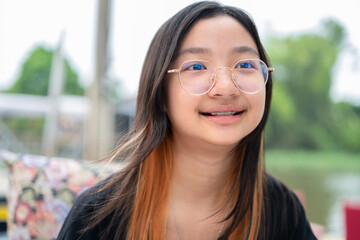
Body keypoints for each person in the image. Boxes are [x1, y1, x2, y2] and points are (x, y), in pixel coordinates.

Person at [57, 1, 316, 239]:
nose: (225, 88)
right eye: (197, 67)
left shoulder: (284, 211)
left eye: (245, 65)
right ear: (161, 93)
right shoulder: (96, 218)